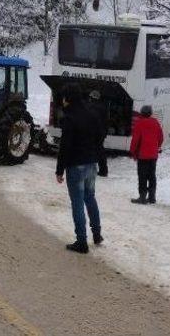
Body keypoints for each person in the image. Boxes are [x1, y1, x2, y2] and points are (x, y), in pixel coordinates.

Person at [56, 83, 105, 254]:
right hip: (91, 163)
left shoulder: (70, 118)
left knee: (77, 202)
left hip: (76, 165)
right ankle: (97, 234)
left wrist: (59, 169)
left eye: (63, 97)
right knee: (90, 198)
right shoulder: (91, 114)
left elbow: (65, 145)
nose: (62, 100)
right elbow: (100, 136)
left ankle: (81, 241)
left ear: (68, 99)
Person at [129, 105, 164, 205]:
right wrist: (157, 146)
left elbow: (135, 139)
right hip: (153, 155)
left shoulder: (139, 123)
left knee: (142, 176)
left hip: (143, 155)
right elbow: (161, 137)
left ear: (141, 113)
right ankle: (152, 197)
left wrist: (132, 151)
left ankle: (142, 197)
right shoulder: (155, 122)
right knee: (152, 176)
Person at [88, 90, 109, 177]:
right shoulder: (103, 107)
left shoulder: (89, 107)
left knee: (89, 150)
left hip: (91, 132)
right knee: (100, 151)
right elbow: (106, 121)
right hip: (101, 133)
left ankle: (89, 170)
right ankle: (103, 170)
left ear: (92, 97)